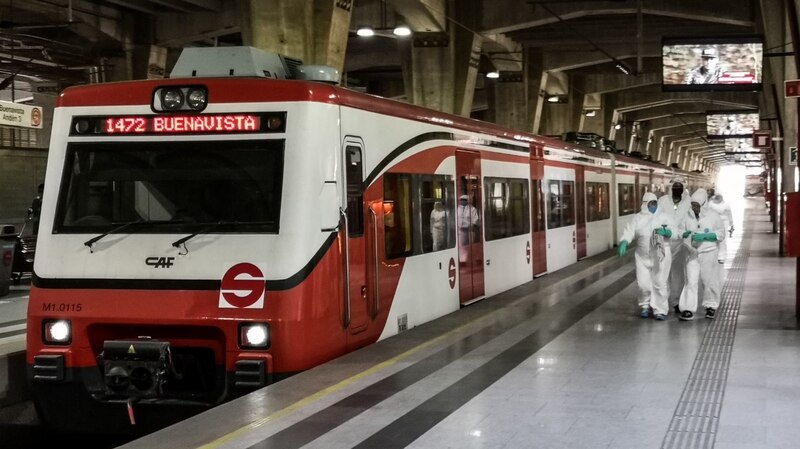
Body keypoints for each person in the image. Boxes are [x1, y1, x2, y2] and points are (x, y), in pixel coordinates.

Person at [618, 192, 679, 320]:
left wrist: (668, 232)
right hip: (642, 257)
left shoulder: (665, 217)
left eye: (654, 203)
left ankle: (660, 310)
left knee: (660, 283)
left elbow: (676, 232)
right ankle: (644, 305)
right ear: (644, 204)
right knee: (643, 284)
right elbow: (629, 231)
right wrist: (624, 241)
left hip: (661, 256)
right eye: (650, 203)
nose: (653, 206)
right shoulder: (638, 218)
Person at [677, 188, 725, 320]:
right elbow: (680, 230)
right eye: (693, 205)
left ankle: (711, 306)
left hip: (709, 253)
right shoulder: (687, 215)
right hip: (691, 253)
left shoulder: (713, 216)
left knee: (708, 280)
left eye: (697, 205)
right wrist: (683, 234)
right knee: (690, 281)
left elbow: (721, 234)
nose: (694, 208)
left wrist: (706, 236)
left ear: (703, 204)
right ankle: (687, 308)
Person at [657, 177, 692, 313]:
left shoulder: (689, 202)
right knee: (661, 273)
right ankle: (661, 302)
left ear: (683, 188)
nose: (677, 189)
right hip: (664, 241)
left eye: (680, 187)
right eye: (675, 187)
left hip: (681, 243)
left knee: (678, 274)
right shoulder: (662, 201)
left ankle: (677, 301)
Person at [707, 189, 734, 263]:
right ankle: (714, 255)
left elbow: (730, 215)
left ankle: (721, 256)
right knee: (714, 239)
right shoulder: (710, 204)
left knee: (722, 240)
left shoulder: (726, 204)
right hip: (713, 222)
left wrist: (731, 225)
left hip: (724, 223)